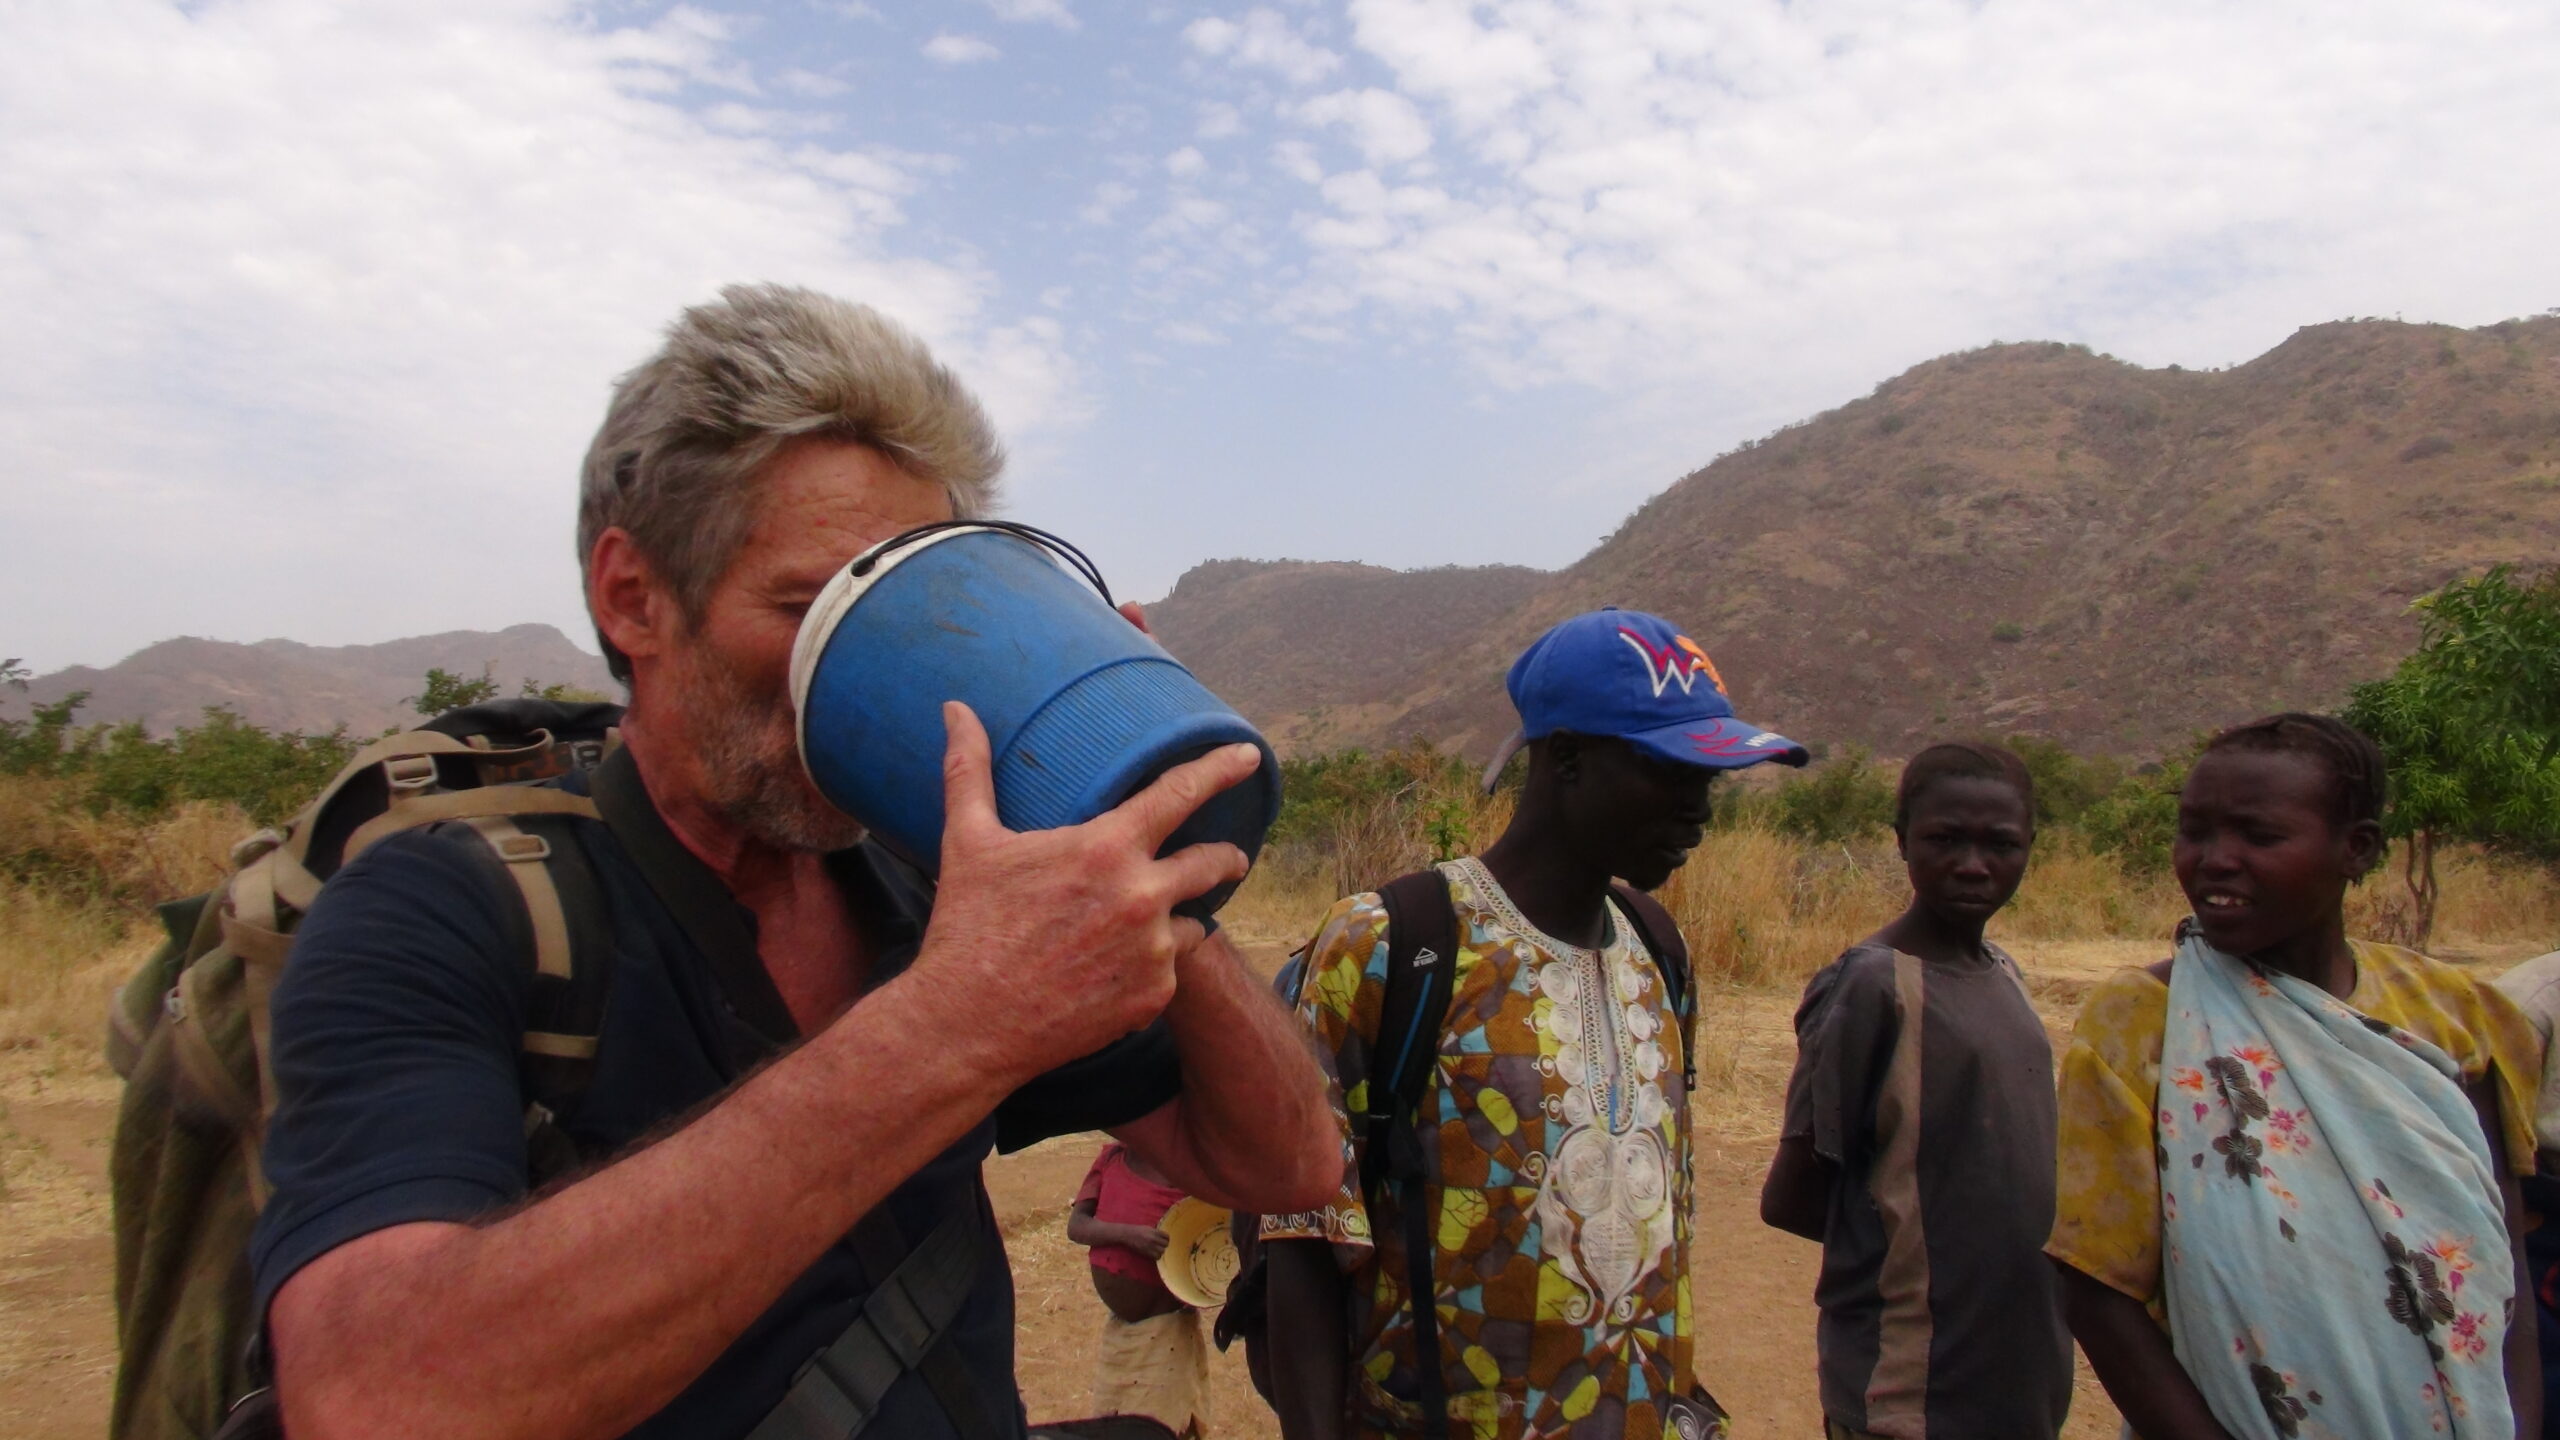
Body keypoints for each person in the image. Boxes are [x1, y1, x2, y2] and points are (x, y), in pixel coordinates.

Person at [249, 284, 1340, 1440]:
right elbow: (374, 1401)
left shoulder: (930, 886)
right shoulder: (442, 908)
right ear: (633, 599)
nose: (861, 671)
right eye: (806, 609)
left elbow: (1286, 1164)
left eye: (914, 616)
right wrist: (955, 1023)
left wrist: (1140, 857)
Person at [1259, 607, 1808, 1440]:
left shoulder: (1657, 948)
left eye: (1710, 779)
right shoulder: (1390, 944)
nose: (1699, 809)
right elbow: (1302, 1232)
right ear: (1568, 758)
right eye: (1672, 773)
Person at [2048, 713, 2544, 1440]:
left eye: (2258, 835)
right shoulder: (2142, 1023)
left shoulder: (2455, 1015)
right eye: (2194, 831)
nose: (2214, 860)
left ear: (2357, 848)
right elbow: (2096, 1288)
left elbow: (2505, 1256)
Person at [1760, 741, 2071, 1440]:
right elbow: (1794, 1197)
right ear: (1901, 841)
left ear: (2030, 848)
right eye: (1945, 839)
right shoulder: (1872, 985)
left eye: (2000, 844)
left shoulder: (2004, 975)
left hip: (2016, 1375)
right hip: (1910, 1388)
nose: (1973, 864)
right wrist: (1927, 1255)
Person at [1069, 1143, 1210, 1436]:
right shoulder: (1111, 1159)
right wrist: (1127, 1235)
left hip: (1167, 1332)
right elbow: (1077, 1226)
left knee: (1165, 1420)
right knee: (1117, 1419)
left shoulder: (1189, 1169)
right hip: (1120, 1335)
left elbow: (1215, 1238)